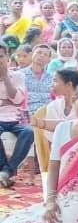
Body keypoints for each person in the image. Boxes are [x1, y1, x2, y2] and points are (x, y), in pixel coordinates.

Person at [0, 82, 78, 223]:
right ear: (74, 100)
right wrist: (51, 200)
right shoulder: (63, 128)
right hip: (63, 191)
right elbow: (54, 168)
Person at [0, 43, 32, 188]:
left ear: (7, 57)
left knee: (29, 131)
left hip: (16, 117)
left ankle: (6, 171)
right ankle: (4, 171)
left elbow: (18, 99)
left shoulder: (18, 75)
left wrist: (5, 77)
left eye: (1, 56)